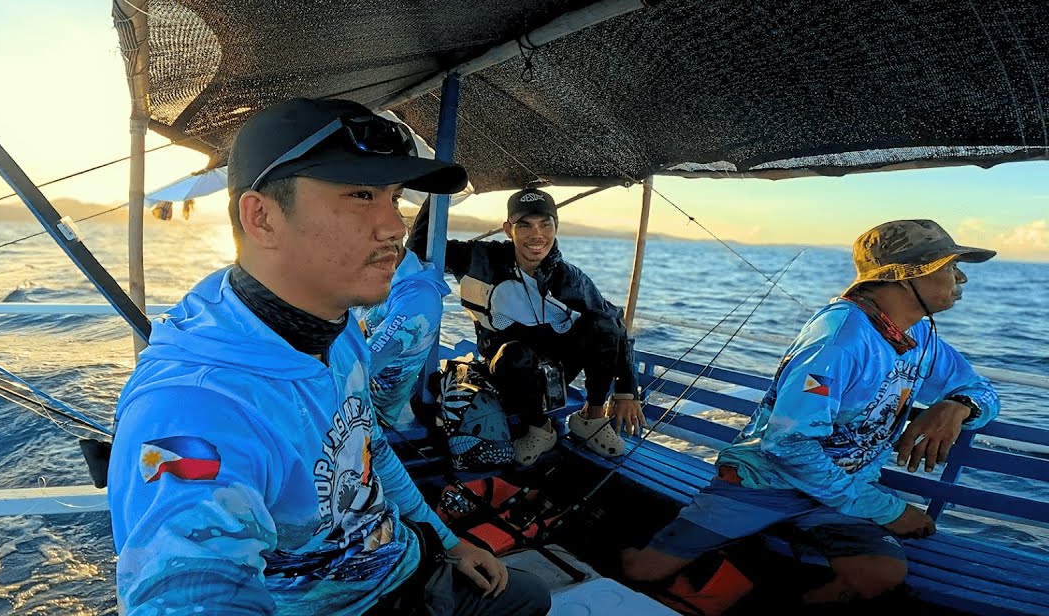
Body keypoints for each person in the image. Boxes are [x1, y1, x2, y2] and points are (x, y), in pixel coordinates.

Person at [108, 97, 551, 616]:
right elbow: (189, 590)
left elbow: (370, 450)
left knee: (529, 598)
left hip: (405, 567)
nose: (394, 227)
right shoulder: (196, 409)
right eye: (361, 195)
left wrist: (450, 544)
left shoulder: (338, 330)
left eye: (395, 198)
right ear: (262, 218)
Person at [621, 219, 1001, 605]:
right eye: (949, 266)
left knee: (880, 575)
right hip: (766, 484)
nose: (960, 277)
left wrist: (956, 406)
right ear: (906, 276)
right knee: (643, 570)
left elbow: (983, 390)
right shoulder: (839, 340)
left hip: (837, 491)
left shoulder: (919, 337)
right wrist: (887, 509)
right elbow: (788, 445)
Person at [408, 187, 645, 466]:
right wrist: (439, 189)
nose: (537, 235)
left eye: (545, 224)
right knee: (513, 354)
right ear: (508, 229)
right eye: (525, 225)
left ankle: (591, 418)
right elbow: (420, 246)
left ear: (556, 227)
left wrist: (626, 391)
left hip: (556, 371)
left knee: (603, 324)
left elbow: (614, 324)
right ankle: (540, 429)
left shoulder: (571, 278)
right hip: (508, 371)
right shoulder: (478, 258)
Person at [354, 243, 451, 425]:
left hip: (368, 415)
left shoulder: (419, 296)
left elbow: (365, 363)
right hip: (343, 399)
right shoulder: (373, 273)